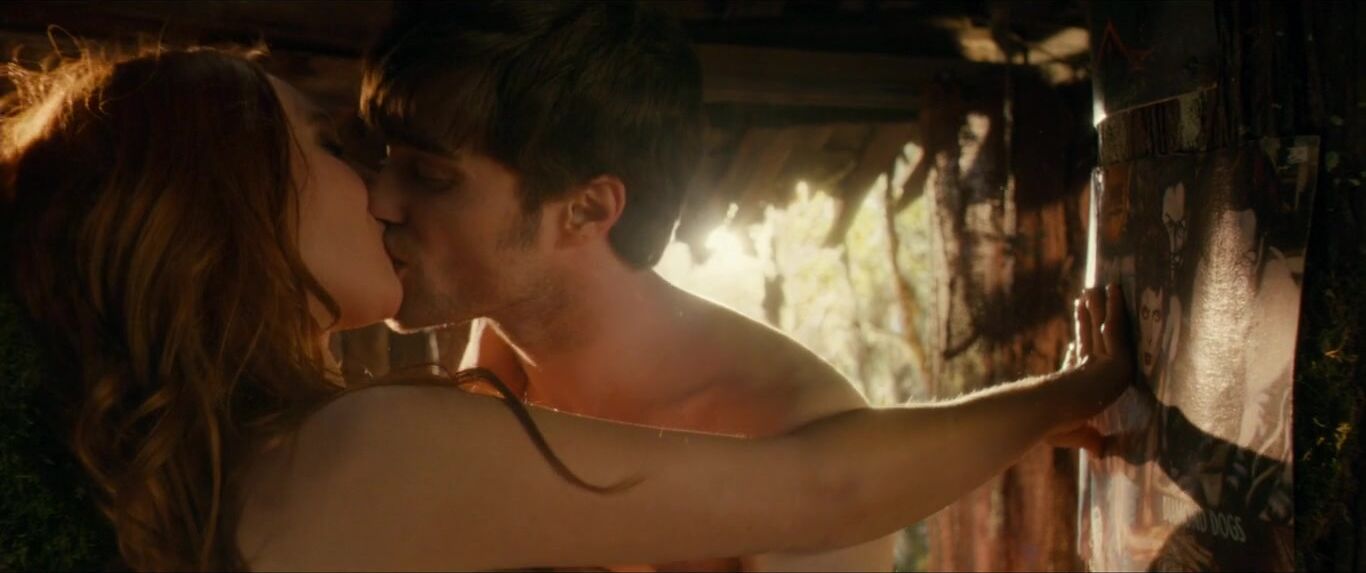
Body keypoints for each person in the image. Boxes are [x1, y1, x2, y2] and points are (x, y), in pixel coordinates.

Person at [1, 46, 1131, 572]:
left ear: (590, 208)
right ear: (242, 215)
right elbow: (825, 490)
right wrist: (1072, 392)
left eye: (417, 171)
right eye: (333, 152)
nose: (376, 192)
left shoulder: (202, 464)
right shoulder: (357, 450)